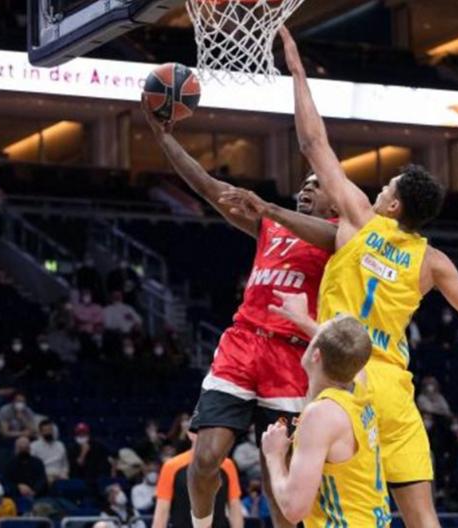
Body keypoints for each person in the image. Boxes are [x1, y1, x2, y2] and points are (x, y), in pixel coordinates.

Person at [218, 26, 458, 528]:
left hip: (346, 377)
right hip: (395, 389)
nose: (379, 190)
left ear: (394, 205)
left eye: (387, 187)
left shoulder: (360, 219)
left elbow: (313, 143)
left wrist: (296, 71)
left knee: (324, 507)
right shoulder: (432, 261)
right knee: (423, 519)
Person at [142, 93, 336, 528]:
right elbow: (207, 187)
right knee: (205, 458)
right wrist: (162, 136)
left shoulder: (342, 236)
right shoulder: (271, 226)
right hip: (243, 344)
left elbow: (327, 236)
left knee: (278, 481)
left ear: (338, 202)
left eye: (316, 185)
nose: (306, 189)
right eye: (304, 184)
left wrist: (270, 207)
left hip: (291, 356)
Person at [262, 314, 391, 526]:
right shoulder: (360, 384)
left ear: (316, 355)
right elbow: (347, 347)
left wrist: (274, 455)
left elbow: (294, 509)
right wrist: (301, 318)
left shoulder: (322, 415)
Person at [152, 430, 243, 528]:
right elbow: (162, 512)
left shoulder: (227, 466)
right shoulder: (171, 467)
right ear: (190, 434)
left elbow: (234, 507)